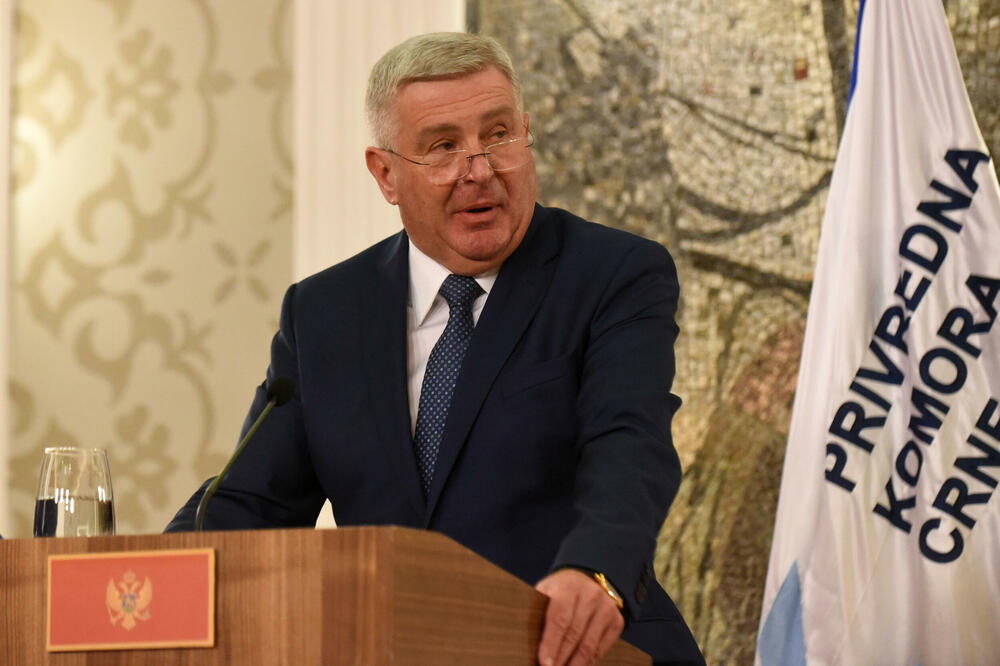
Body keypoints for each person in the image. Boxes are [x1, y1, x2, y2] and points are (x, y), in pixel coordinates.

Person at [167, 32, 703, 665]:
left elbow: (630, 443)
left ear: (527, 135)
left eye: (498, 135)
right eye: (444, 147)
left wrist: (596, 571)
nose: (480, 169)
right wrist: (149, 572)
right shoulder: (324, 313)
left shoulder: (613, 274)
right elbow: (252, 502)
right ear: (386, 174)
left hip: (579, 651)